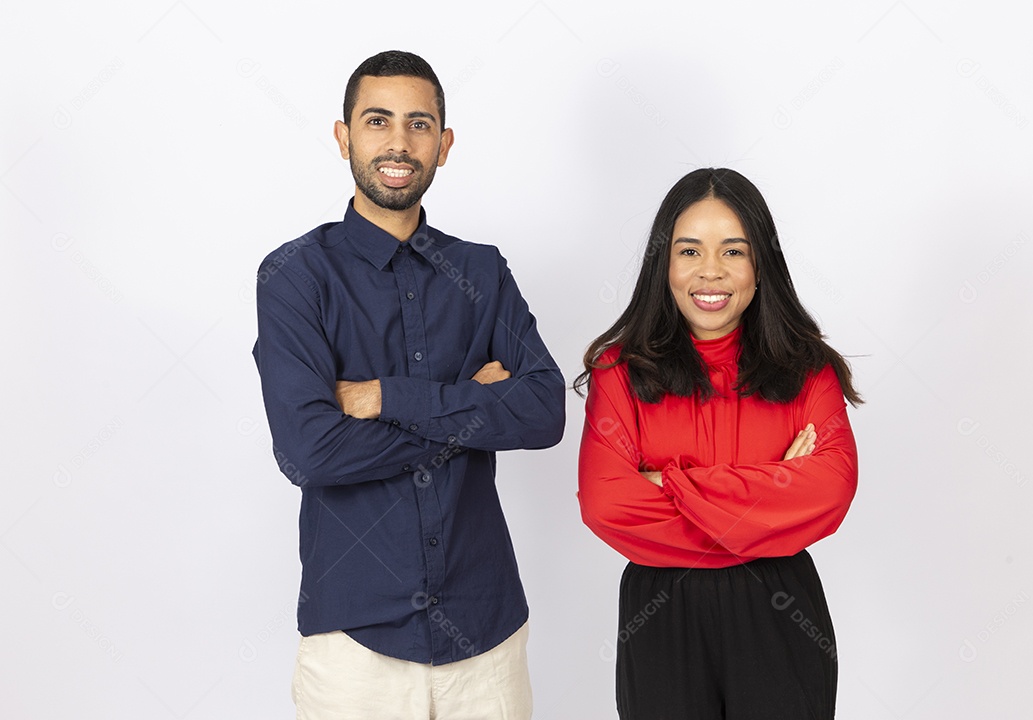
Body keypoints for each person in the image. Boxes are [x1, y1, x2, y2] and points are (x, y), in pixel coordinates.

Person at [253, 50, 564, 719]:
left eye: (419, 124)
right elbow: (310, 453)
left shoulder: (482, 272)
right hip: (355, 650)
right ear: (344, 137)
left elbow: (543, 413)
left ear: (444, 145)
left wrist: (384, 398)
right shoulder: (295, 277)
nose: (399, 141)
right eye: (377, 121)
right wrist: (470, 402)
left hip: (488, 640)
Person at [576, 168, 861, 719]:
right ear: (665, 266)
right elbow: (605, 502)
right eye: (689, 251)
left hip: (781, 612)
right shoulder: (620, 370)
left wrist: (666, 484)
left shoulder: (808, 370)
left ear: (761, 266)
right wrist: (772, 492)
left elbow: (830, 490)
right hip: (661, 617)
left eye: (734, 251)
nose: (711, 272)